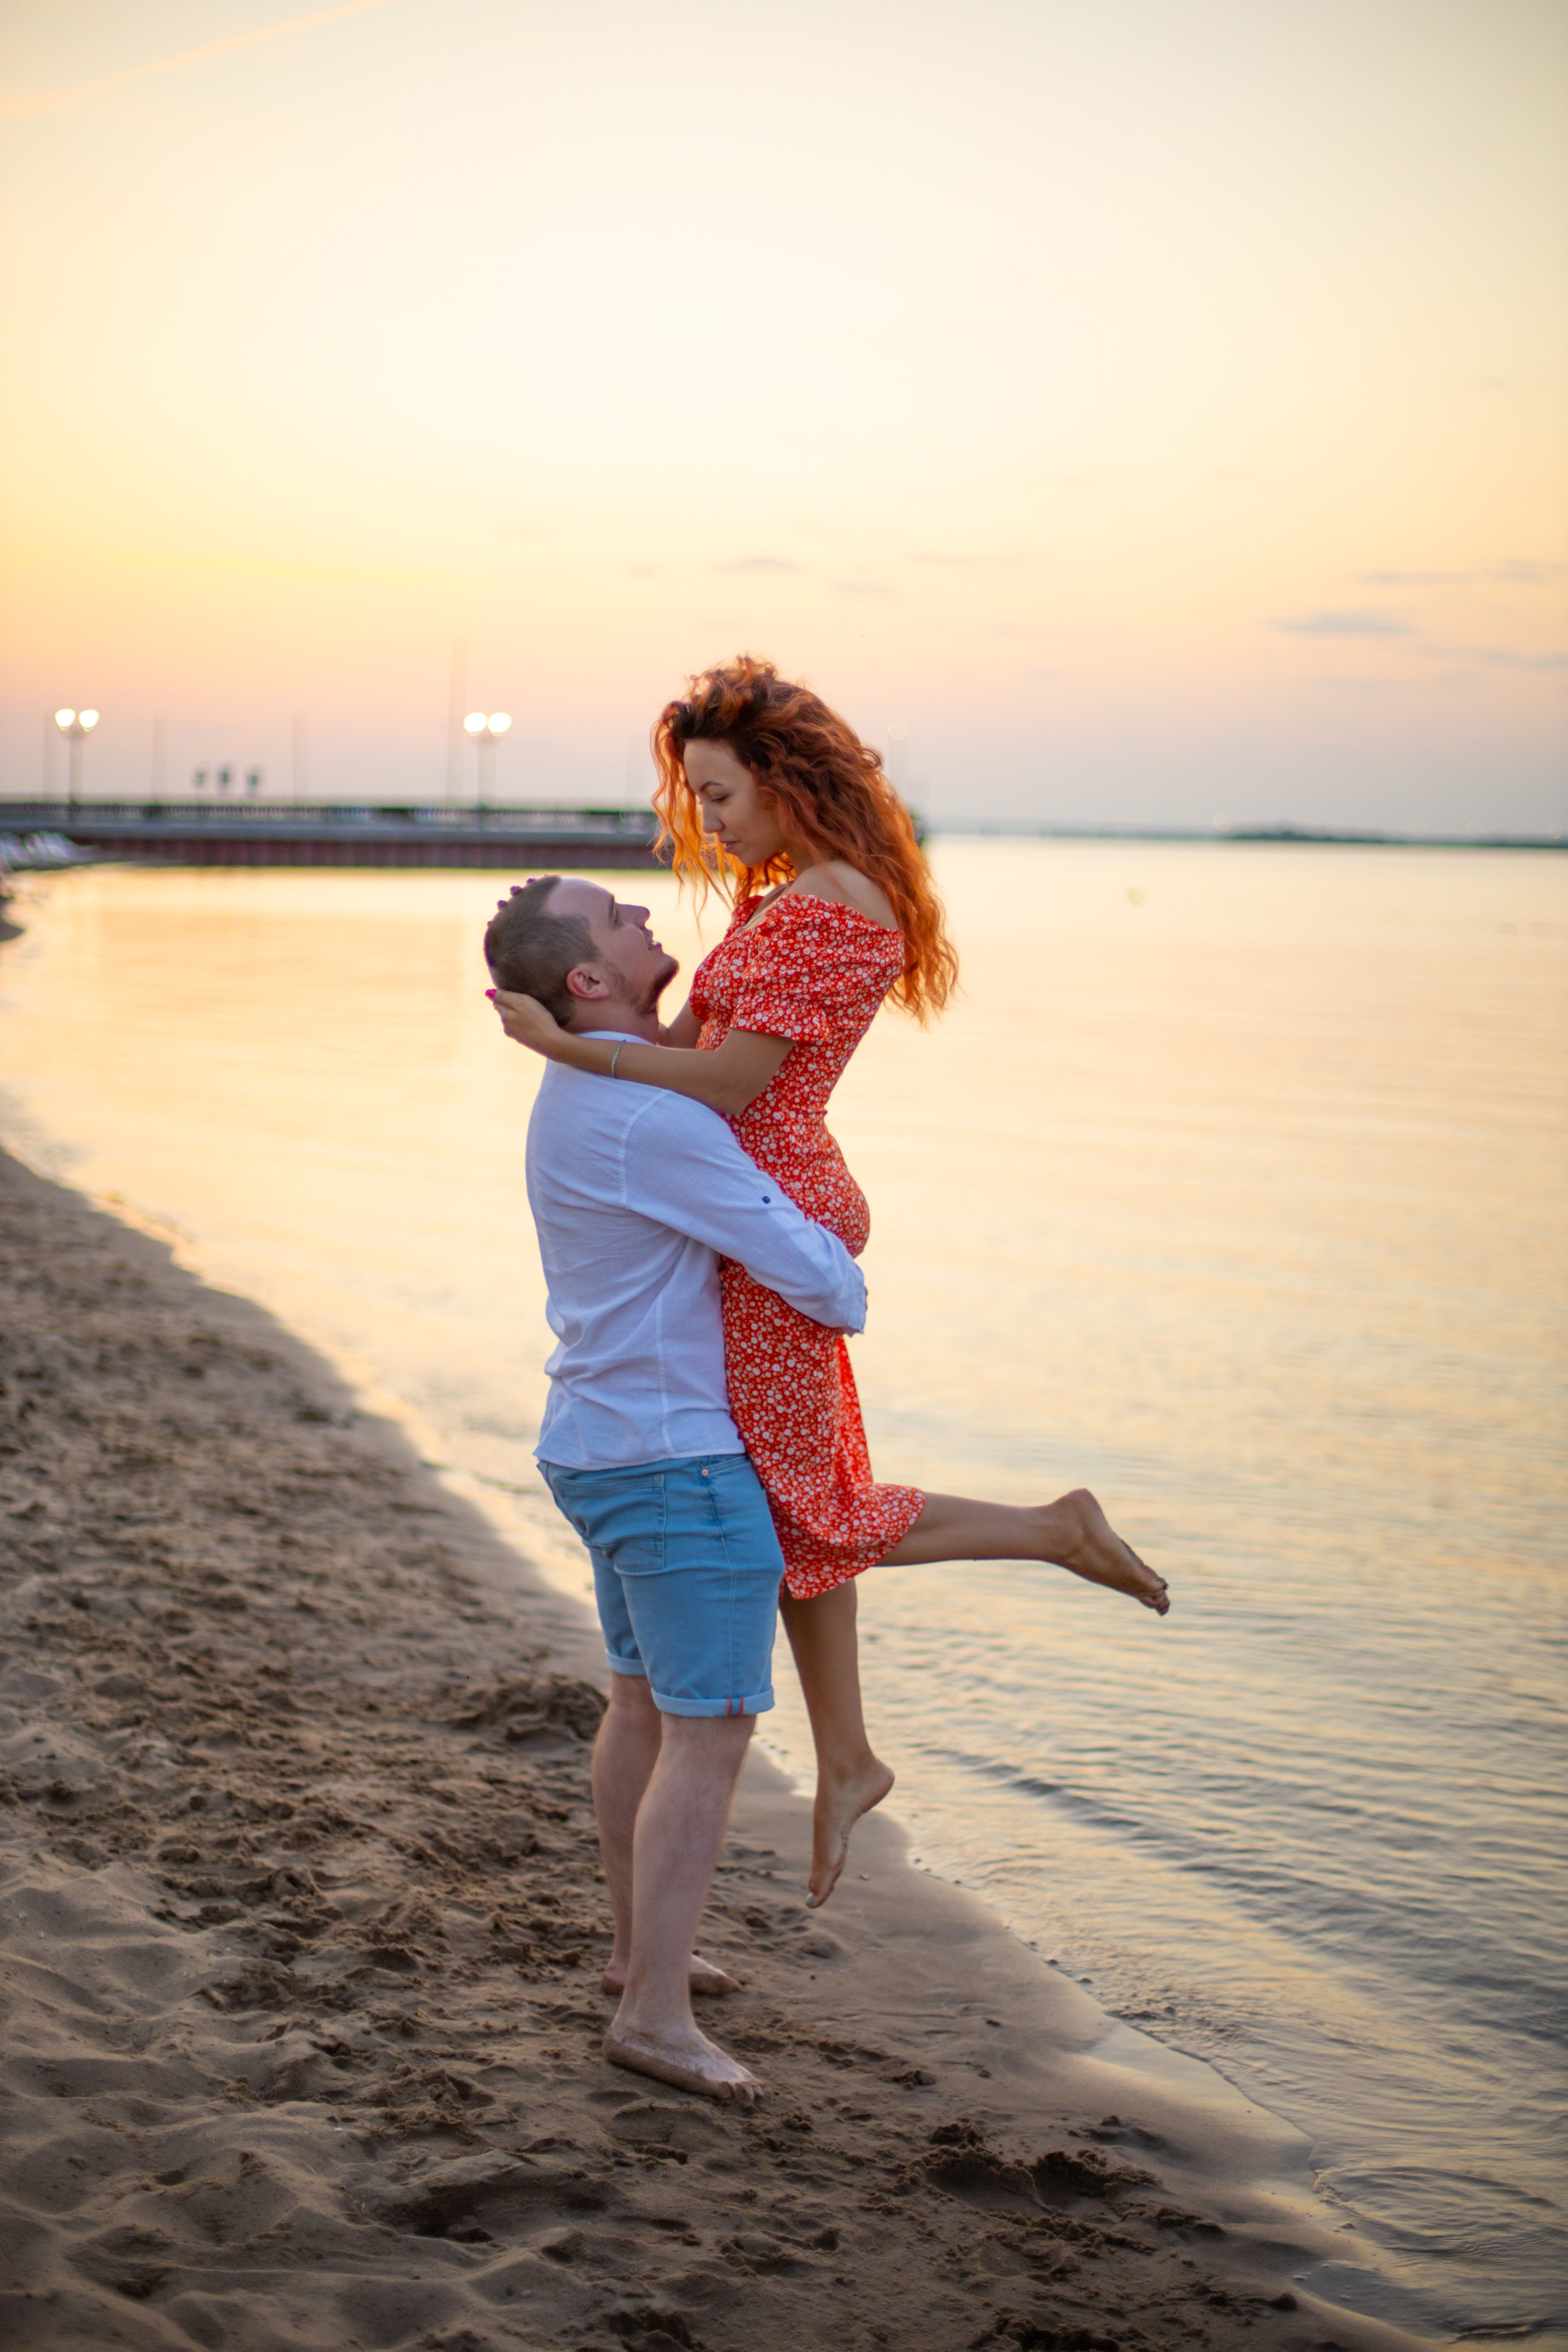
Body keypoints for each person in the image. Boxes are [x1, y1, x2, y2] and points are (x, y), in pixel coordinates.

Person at [490, 657, 1170, 1912]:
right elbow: (699, 1055)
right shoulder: (789, 897)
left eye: (717, 793)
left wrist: (570, 1046)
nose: (706, 822)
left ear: (785, 777)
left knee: (807, 1496)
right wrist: (591, 1050)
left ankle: (1048, 1535)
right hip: (750, 1204)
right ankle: (850, 1752)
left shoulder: (827, 907)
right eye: (692, 797)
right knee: (798, 1496)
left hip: (774, 1211)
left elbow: (738, 1080)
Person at [489, 870, 867, 2105]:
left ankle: (631, 1957)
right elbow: (822, 1281)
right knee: (709, 1733)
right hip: (672, 1460)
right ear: (587, 980)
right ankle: (653, 2015)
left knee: (641, 1708)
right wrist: (836, 1237)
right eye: (621, 919)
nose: (652, 919)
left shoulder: (580, 1090)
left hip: (596, 1442)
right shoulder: (652, 1118)